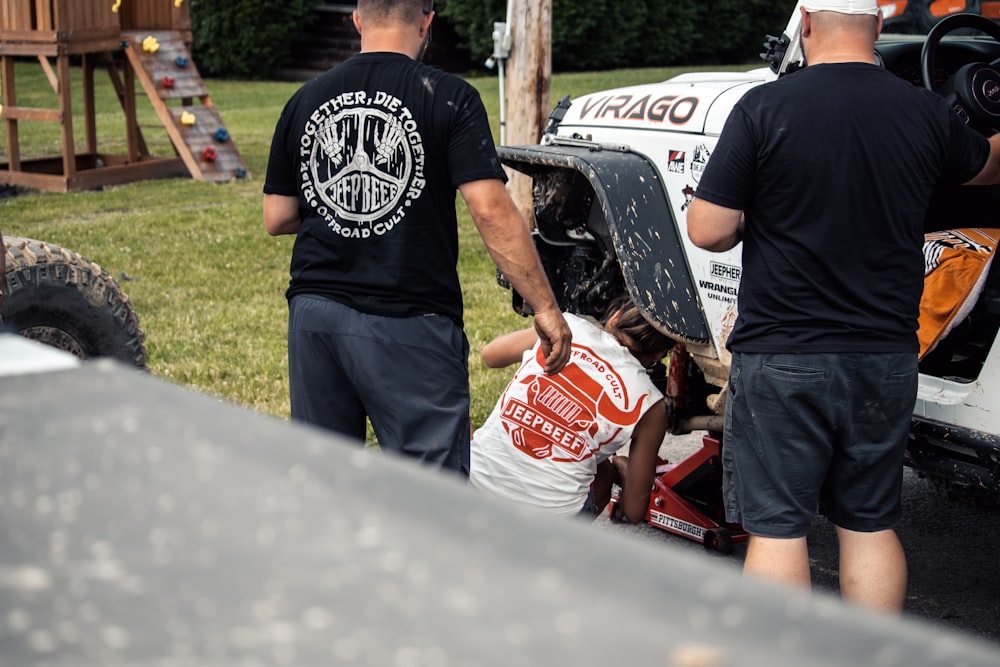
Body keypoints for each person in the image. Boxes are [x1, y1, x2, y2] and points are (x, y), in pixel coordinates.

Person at [686, 0, 1000, 614]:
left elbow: (708, 229)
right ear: (878, 27)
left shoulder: (764, 108)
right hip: (883, 357)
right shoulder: (923, 110)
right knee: (870, 522)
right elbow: (989, 165)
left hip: (784, 355)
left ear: (805, 26)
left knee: (779, 528)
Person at [262, 0, 571, 476]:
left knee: (322, 484)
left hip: (315, 316)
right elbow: (490, 209)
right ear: (427, 21)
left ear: (358, 20)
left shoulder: (306, 97)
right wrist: (545, 308)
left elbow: (277, 215)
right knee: (432, 499)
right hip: (408, 320)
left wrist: (347, 208)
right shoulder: (450, 96)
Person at [470, 298, 672, 521]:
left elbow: (491, 354)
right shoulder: (651, 405)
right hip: (548, 528)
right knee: (603, 472)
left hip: (473, 489)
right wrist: (623, 472)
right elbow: (634, 512)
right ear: (657, 356)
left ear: (615, 317)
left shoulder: (566, 328)